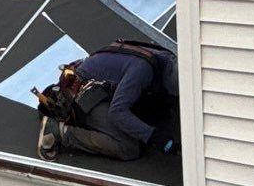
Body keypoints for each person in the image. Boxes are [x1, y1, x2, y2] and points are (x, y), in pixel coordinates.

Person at [35, 40, 179, 162]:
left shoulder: (163, 56)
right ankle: (59, 132)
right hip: (83, 95)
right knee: (128, 148)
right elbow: (117, 112)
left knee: (156, 114)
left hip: (102, 86)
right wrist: (153, 136)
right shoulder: (144, 69)